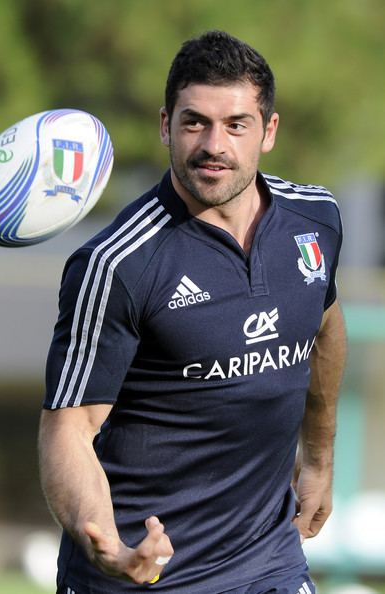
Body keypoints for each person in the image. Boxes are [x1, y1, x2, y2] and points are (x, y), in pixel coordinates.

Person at [39, 30, 347, 594]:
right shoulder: (117, 264)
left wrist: (320, 458)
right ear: (165, 125)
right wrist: (106, 541)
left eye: (236, 124)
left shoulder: (316, 220)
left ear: (268, 131)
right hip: (142, 575)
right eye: (194, 122)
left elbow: (324, 326)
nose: (214, 144)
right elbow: (69, 429)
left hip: (267, 562)